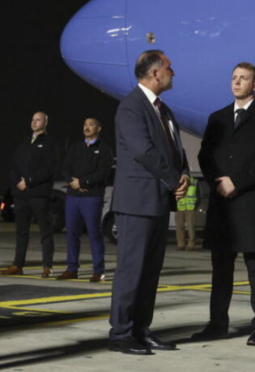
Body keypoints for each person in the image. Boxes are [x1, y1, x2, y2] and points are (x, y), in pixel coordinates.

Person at [192, 63, 255, 346]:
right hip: (222, 204)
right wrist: (218, 183)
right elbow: (205, 156)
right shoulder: (217, 117)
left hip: (251, 202)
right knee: (221, 269)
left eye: (243, 78)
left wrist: (237, 182)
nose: (237, 82)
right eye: (234, 77)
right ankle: (217, 323)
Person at [108, 50, 190, 355]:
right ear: (155, 73)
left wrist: (183, 174)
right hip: (136, 202)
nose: (173, 72)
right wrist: (173, 180)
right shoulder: (131, 106)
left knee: (150, 271)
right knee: (131, 270)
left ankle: (141, 330)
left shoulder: (163, 109)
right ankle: (120, 334)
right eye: (169, 67)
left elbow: (175, 149)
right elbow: (143, 150)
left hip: (157, 200)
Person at [0, 112, 58, 278]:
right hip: (21, 195)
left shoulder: (50, 144)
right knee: (21, 231)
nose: (34, 122)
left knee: (45, 231)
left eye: (38, 119)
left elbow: (49, 169)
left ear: (45, 123)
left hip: (39, 194)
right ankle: (17, 265)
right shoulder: (23, 144)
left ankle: (47, 266)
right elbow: (13, 166)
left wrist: (30, 181)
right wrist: (18, 182)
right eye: (32, 119)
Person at [56, 117, 114, 282]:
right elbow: (65, 168)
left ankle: (98, 271)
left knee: (94, 234)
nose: (87, 127)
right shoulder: (75, 148)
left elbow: (103, 173)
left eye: (91, 124)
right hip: (73, 197)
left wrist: (82, 182)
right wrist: (72, 183)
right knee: (72, 234)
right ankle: (72, 268)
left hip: (92, 197)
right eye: (85, 125)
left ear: (99, 128)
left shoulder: (104, 150)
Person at [175, 182, 198, 250]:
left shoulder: (194, 182)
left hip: (190, 208)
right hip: (179, 208)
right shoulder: (176, 181)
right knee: (179, 227)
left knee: (191, 227)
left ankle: (191, 244)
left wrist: (195, 206)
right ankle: (181, 244)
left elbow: (199, 195)